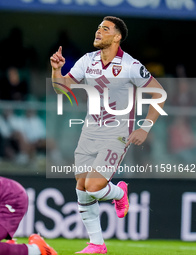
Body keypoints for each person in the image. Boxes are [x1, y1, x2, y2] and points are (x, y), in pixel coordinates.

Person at [50, 16, 165, 254]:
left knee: (93, 186)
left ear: (117, 36)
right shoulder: (87, 60)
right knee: (81, 188)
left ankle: (119, 192)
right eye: (98, 28)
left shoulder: (131, 66)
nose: (98, 31)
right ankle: (97, 244)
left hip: (116, 134)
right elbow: (61, 89)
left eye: (105, 29)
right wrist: (56, 71)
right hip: (89, 131)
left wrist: (144, 127)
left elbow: (159, 93)